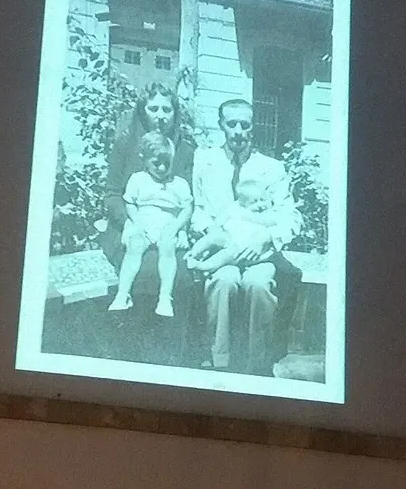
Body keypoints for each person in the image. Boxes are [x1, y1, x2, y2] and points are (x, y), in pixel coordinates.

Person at [188, 97, 300, 375]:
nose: (238, 131)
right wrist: (212, 232)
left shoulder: (271, 168)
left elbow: (291, 217)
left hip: (257, 252)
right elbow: (197, 209)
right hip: (222, 250)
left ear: (253, 128)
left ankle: (256, 364)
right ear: (221, 125)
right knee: (223, 281)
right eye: (231, 124)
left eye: (244, 125)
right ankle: (220, 361)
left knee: (258, 284)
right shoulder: (205, 161)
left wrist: (265, 238)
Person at [101, 82, 197, 319]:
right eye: (153, 109)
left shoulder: (184, 149)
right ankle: (132, 341)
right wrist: (128, 223)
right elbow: (112, 193)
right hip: (130, 223)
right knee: (143, 268)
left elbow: (186, 199)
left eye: (167, 110)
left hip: (169, 227)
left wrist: (179, 229)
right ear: (142, 110)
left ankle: (169, 344)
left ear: (175, 114)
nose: (160, 116)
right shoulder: (125, 143)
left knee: (181, 273)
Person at [109, 131, 193, 317]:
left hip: (167, 228)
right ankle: (123, 294)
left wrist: (178, 229)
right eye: (157, 163)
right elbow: (130, 202)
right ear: (144, 159)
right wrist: (136, 223)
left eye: (167, 163)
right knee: (134, 247)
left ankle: (165, 297)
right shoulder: (138, 179)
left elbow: (187, 208)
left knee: (167, 248)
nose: (162, 168)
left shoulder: (178, 184)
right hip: (144, 226)